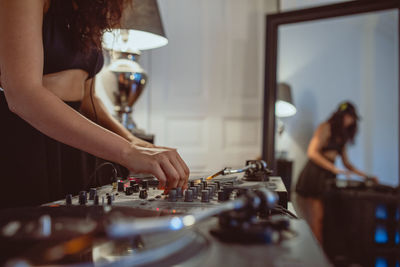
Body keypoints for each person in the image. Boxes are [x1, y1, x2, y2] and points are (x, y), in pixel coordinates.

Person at [0, 0, 189, 209]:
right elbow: (23, 94)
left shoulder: (86, 10)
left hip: (74, 141)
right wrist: (128, 152)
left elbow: (89, 98)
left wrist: (135, 142)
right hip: (27, 140)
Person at [295, 101, 377, 243]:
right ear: (340, 116)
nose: (349, 121)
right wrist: (332, 168)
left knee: (326, 221)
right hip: (315, 175)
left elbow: (347, 164)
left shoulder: (342, 136)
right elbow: (312, 153)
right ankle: (317, 261)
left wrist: (366, 176)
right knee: (316, 220)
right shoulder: (325, 127)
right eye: (347, 117)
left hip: (328, 177)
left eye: (352, 118)